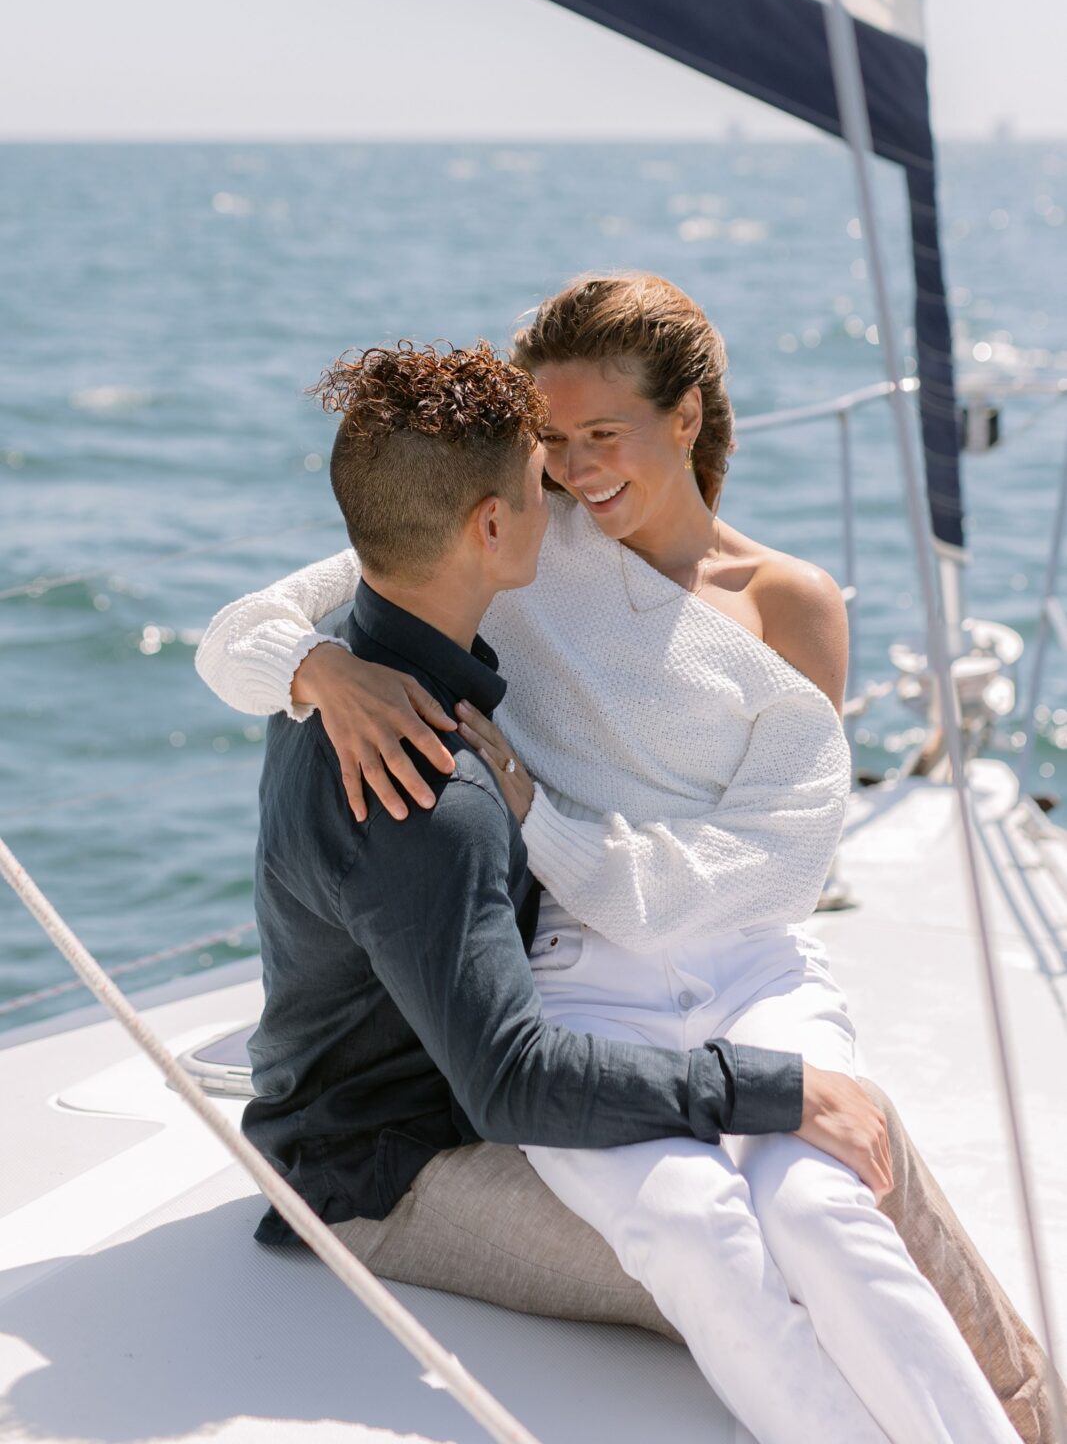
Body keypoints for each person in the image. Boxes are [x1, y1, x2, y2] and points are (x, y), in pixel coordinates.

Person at [195, 285, 1054, 1441]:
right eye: (547, 443)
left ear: (687, 418)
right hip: (571, 988)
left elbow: (778, 861)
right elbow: (263, 621)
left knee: (830, 1197)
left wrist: (548, 826)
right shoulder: (516, 543)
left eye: (603, 435)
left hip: (733, 967)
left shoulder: (782, 603)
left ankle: (1027, 1417)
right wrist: (319, 670)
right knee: (735, 1229)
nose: (572, 468)